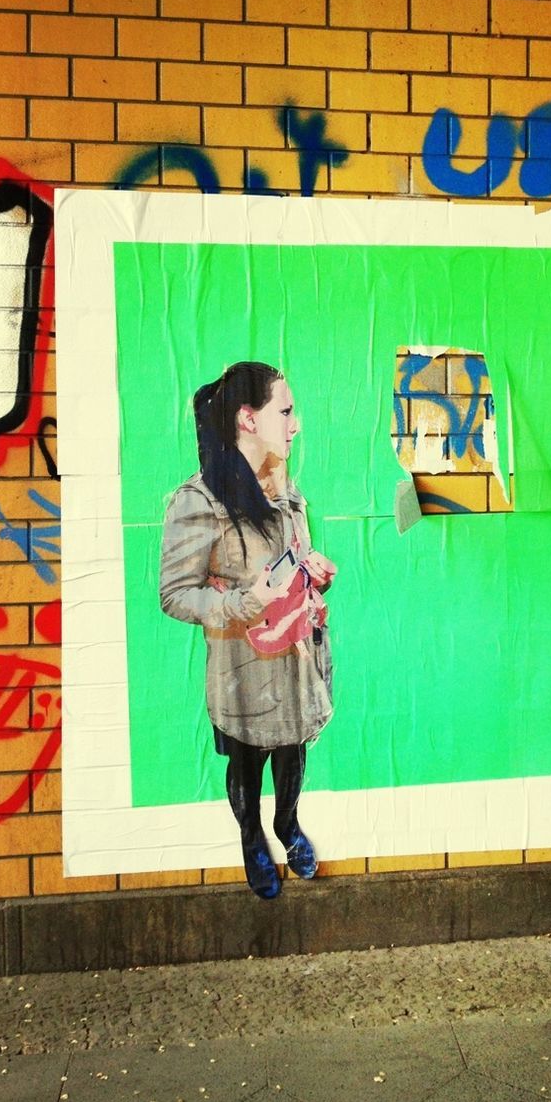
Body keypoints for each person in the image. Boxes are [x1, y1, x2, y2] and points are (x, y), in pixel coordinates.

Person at [159, 362, 335, 900]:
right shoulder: (199, 501)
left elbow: (290, 562)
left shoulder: (285, 488)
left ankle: (287, 824)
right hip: (241, 666)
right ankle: (252, 837)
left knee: (292, 749)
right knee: (248, 757)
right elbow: (174, 595)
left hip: (295, 654)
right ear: (248, 418)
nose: (295, 423)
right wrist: (241, 601)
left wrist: (313, 576)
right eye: (285, 411)